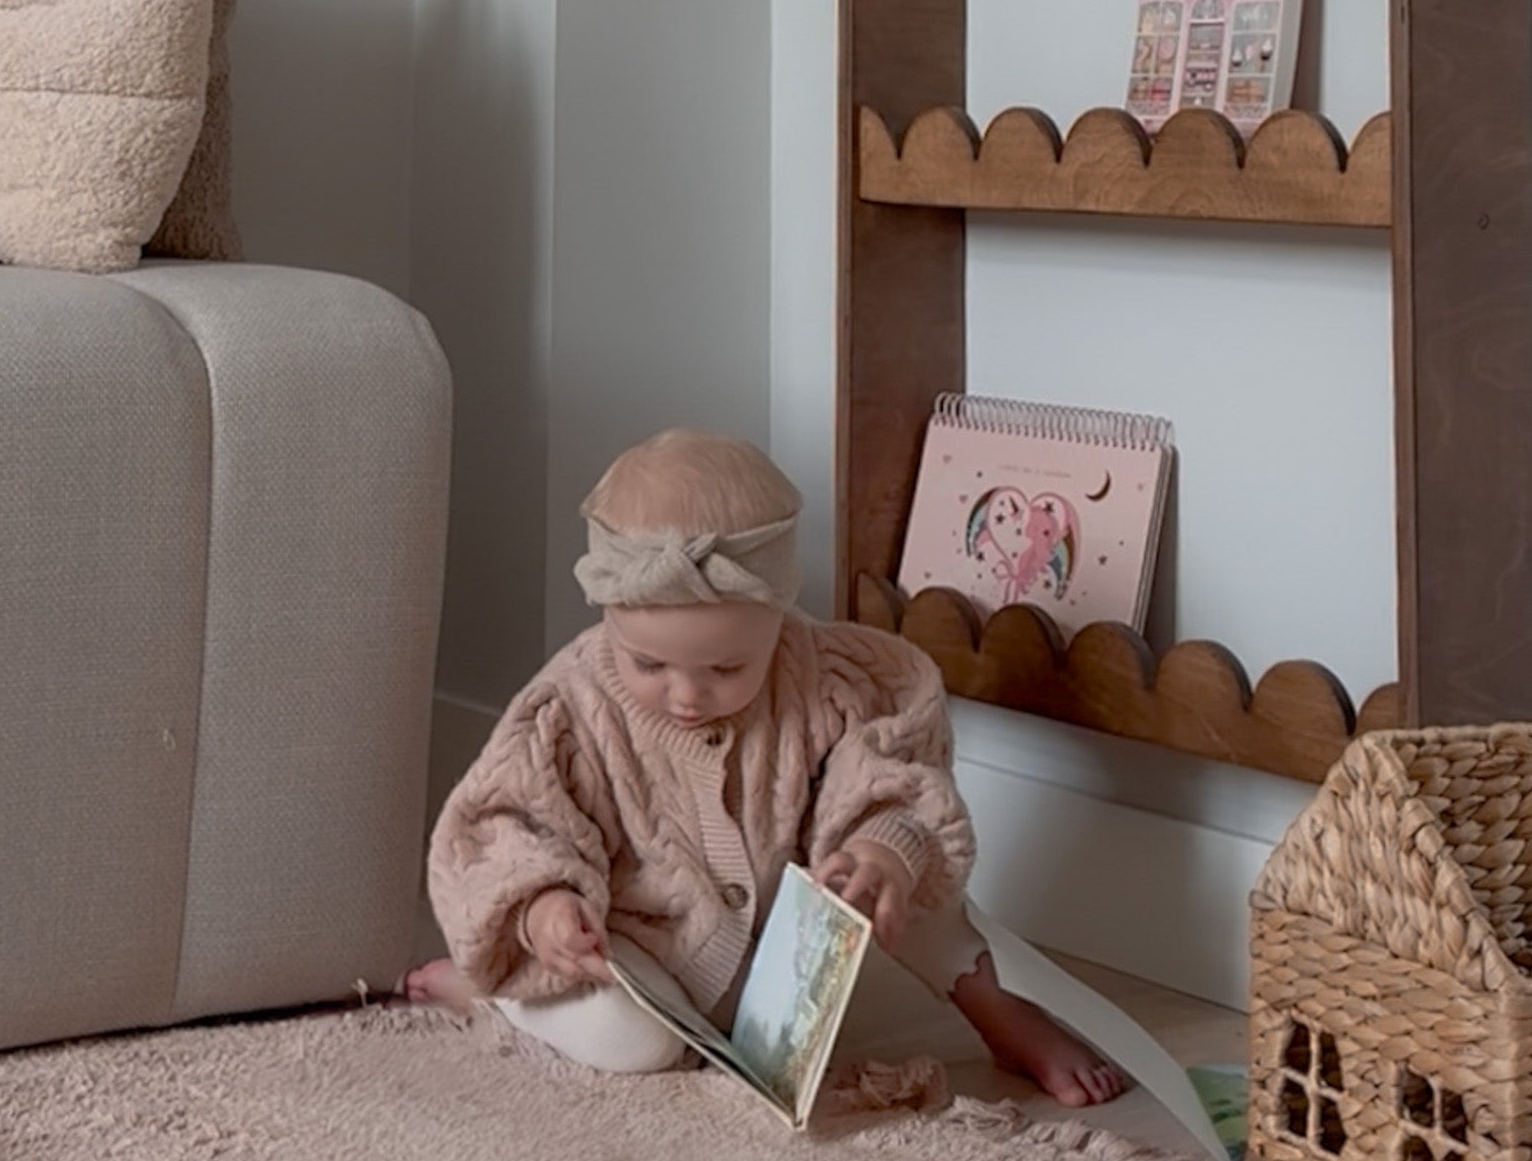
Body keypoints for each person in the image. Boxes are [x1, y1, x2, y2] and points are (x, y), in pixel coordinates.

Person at [405, 428, 1124, 1106]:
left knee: (910, 874)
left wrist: (879, 849)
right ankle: (502, 994)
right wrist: (542, 911)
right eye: (648, 663)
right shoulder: (569, 709)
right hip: (631, 945)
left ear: (779, 614)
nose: (687, 697)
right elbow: (507, 822)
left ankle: (1000, 1014)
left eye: (727, 666)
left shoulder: (832, 680)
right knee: (637, 1042)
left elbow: (889, 770)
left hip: (775, 939)